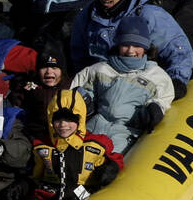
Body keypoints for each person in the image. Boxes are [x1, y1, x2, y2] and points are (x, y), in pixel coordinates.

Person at [69, 0, 193, 97]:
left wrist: (177, 81)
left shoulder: (149, 16)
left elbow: (178, 49)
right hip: (104, 92)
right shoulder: (86, 17)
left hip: (144, 89)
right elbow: (79, 58)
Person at [69, 15, 175, 155]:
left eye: (137, 46)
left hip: (127, 133)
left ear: (146, 48)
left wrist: (154, 108)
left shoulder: (156, 76)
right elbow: (77, 91)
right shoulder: (101, 69)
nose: (130, 51)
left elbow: (164, 99)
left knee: (110, 164)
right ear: (118, 45)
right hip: (93, 127)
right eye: (125, 45)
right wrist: (84, 101)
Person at [15, 90, 121, 200]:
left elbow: (115, 158)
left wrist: (111, 167)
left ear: (80, 121)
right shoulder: (42, 145)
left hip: (78, 196)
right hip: (46, 194)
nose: (63, 125)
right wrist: (23, 185)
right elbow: (35, 174)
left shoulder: (96, 144)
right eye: (57, 120)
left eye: (70, 119)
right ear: (51, 121)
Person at [9, 41, 71, 140]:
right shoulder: (31, 86)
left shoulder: (70, 86)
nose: (49, 71)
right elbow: (17, 105)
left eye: (54, 67)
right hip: (36, 137)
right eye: (44, 67)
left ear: (62, 71)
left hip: (64, 135)